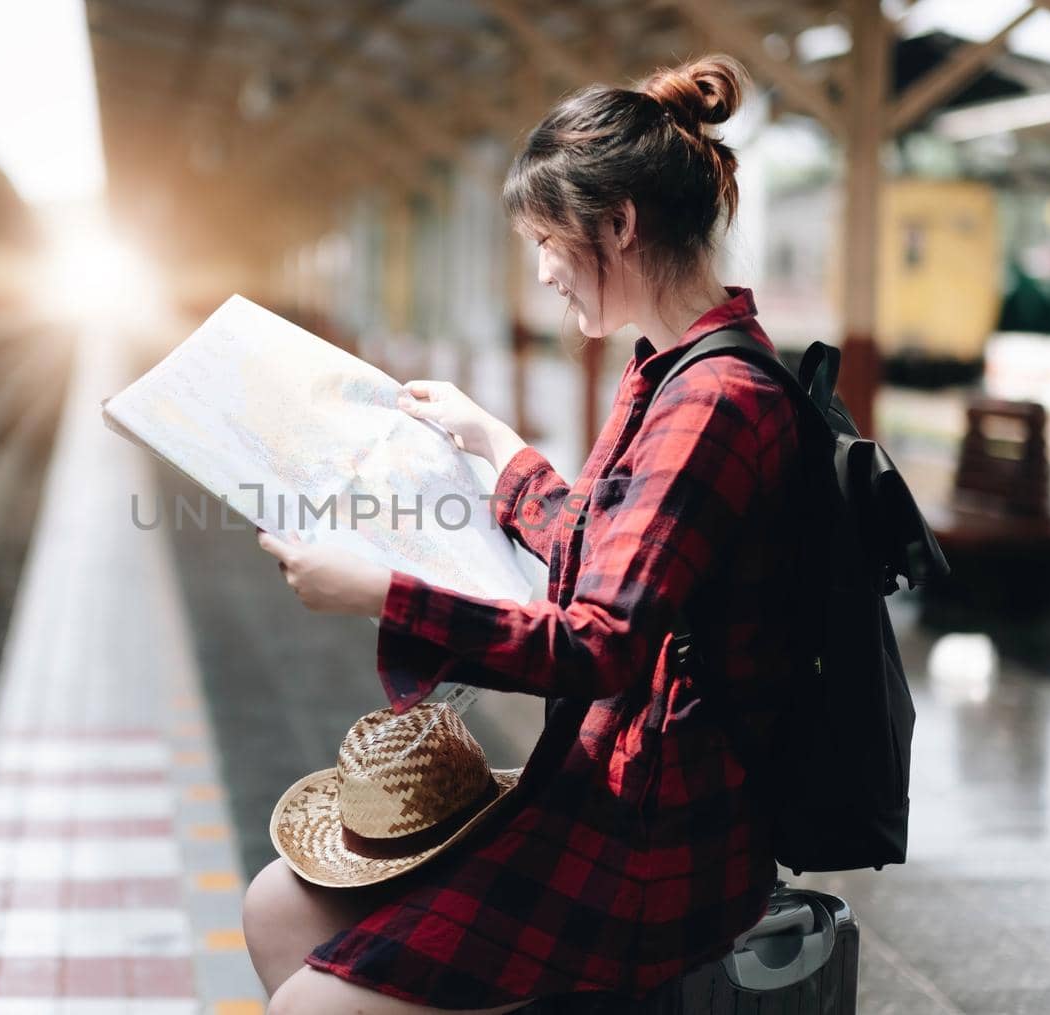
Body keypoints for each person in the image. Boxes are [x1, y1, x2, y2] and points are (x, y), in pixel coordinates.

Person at [247, 53, 807, 1014]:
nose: (544, 272)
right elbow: (604, 549)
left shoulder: (713, 400)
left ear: (619, 224)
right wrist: (492, 441)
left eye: (548, 240)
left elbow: (602, 641)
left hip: (656, 841)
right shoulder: (670, 371)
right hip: (604, 782)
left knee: (312, 999)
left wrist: (376, 590)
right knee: (275, 907)